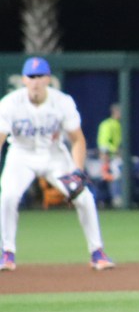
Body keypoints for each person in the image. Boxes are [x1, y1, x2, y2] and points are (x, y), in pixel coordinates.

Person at [0, 57, 115, 271]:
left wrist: (77, 170)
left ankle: (97, 252)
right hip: (20, 155)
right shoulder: (9, 103)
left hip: (55, 156)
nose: (35, 81)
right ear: (23, 79)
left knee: (84, 197)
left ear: (48, 79)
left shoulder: (62, 102)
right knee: (7, 196)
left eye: (40, 76)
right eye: (31, 77)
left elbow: (77, 139)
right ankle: (7, 253)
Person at [95, 103, 124, 208]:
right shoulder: (107, 124)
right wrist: (113, 152)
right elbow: (103, 144)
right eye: (120, 111)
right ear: (115, 112)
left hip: (116, 157)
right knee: (115, 171)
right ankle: (116, 198)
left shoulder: (120, 124)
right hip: (107, 158)